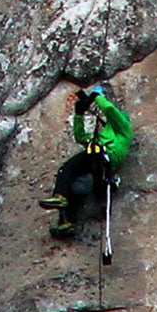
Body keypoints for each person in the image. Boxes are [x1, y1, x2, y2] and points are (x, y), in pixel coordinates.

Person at [40, 83, 132, 239]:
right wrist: (79, 114)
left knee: (67, 169)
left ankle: (60, 195)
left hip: (103, 157)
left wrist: (97, 97)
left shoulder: (123, 129)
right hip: (99, 165)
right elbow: (81, 137)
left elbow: (110, 110)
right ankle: (67, 222)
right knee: (75, 186)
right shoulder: (104, 137)